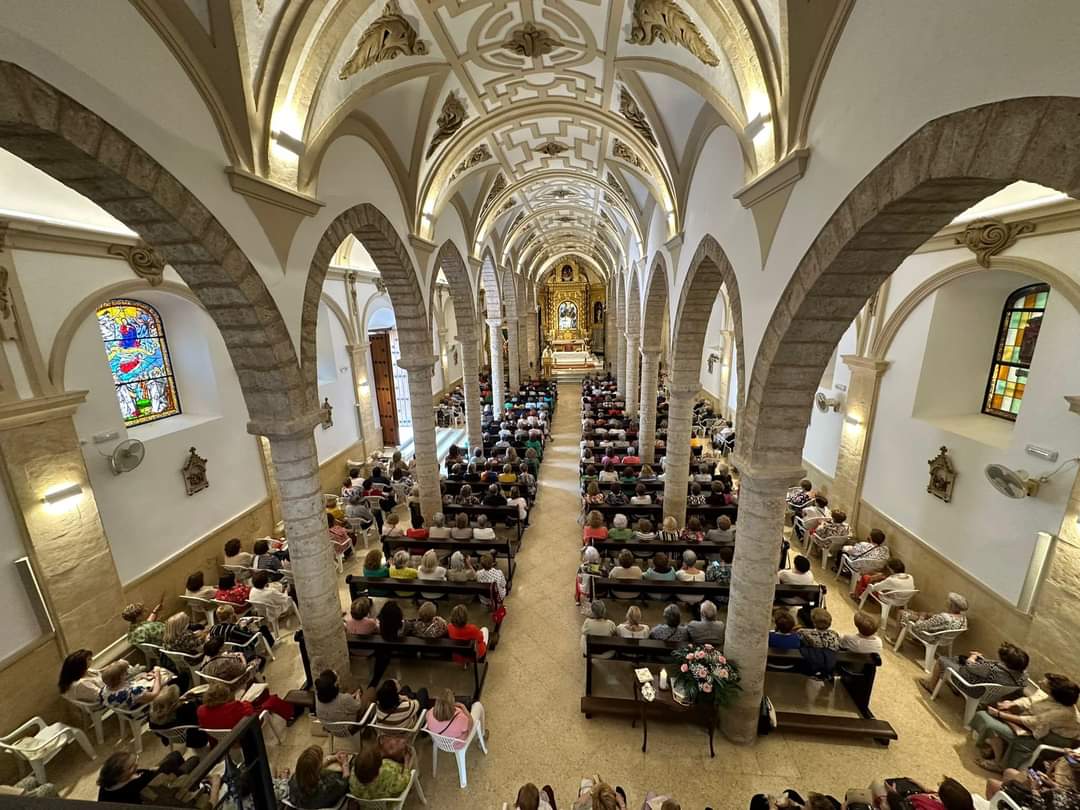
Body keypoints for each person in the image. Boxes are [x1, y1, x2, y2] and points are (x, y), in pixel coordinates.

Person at [971, 673, 1080, 771]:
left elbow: (1034, 722)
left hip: (1053, 738)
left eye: (1044, 682)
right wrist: (1013, 704)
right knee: (991, 713)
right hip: (1038, 726)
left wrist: (1001, 715)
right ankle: (995, 749)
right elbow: (1030, 701)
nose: (1040, 682)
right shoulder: (1050, 696)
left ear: (1053, 691)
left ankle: (999, 763)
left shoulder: (1064, 713)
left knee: (996, 725)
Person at [920, 641, 1030, 700]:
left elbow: (970, 667)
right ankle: (950, 684)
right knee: (958, 658)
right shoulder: (1024, 677)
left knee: (942, 660)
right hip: (991, 695)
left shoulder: (992, 669)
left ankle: (931, 686)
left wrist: (973, 657)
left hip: (972, 687)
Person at [197, 680, 295, 728]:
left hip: (224, 739)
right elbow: (250, 713)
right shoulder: (233, 707)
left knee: (260, 696)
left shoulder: (201, 711)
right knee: (272, 700)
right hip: (246, 731)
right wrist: (246, 703)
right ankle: (291, 714)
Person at [149, 685, 208, 750]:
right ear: (173, 703)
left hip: (172, 738)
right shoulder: (187, 709)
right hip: (196, 738)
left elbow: (167, 707)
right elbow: (201, 712)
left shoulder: (152, 721)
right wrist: (194, 700)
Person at [348, 747, 412, 801]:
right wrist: (406, 761)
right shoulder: (389, 771)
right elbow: (404, 781)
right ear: (378, 770)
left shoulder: (353, 780)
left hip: (367, 806)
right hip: (387, 805)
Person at [96, 751, 162, 804]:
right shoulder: (137, 784)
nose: (136, 765)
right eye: (130, 767)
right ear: (119, 777)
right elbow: (154, 776)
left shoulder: (105, 786)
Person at [101, 660, 165, 710]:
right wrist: (157, 674)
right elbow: (154, 695)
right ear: (121, 676)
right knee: (165, 681)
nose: (127, 673)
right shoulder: (134, 692)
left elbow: (123, 684)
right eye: (125, 672)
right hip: (138, 710)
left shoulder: (104, 690)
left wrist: (139, 677)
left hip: (123, 709)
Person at [898, 592, 969, 635]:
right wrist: (928, 615)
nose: (946, 601)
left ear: (951, 605)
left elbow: (919, 627)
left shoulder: (943, 617)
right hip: (942, 638)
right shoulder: (963, 619)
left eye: (948, 600)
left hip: (930, 636)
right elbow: (941, 622)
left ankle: (895, 639)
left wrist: (922, 617)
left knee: (902, 612)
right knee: (916, 613)